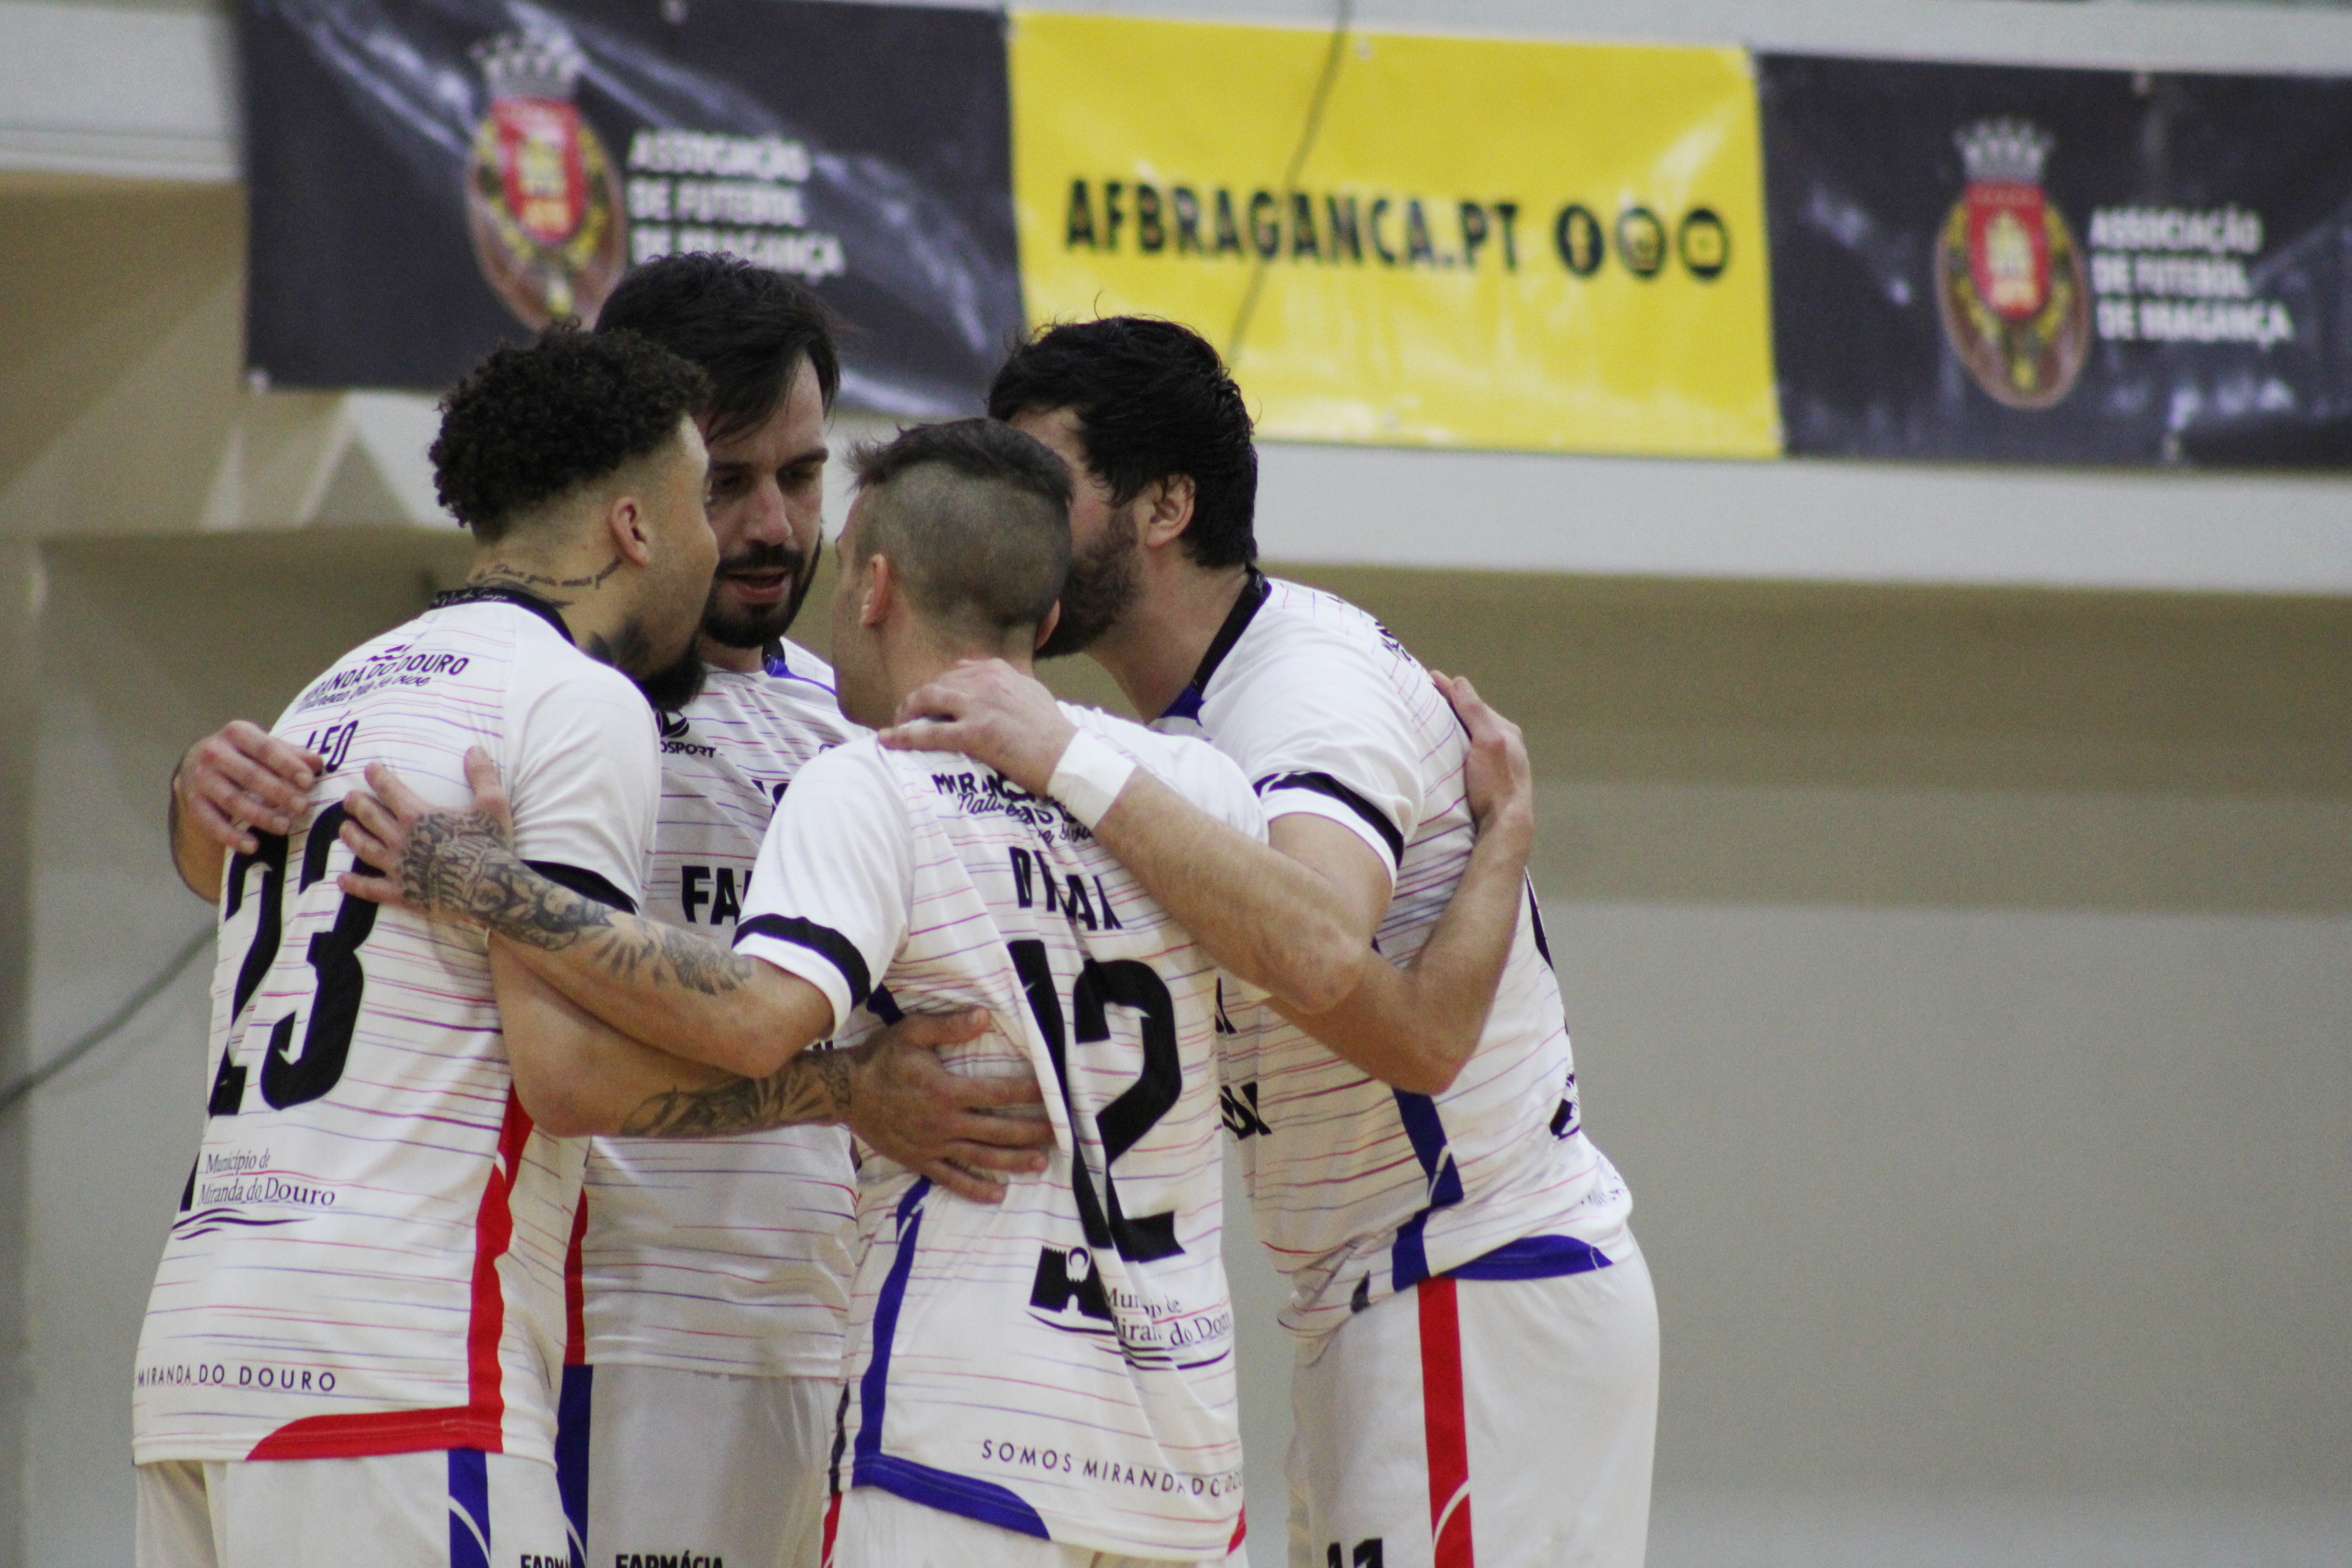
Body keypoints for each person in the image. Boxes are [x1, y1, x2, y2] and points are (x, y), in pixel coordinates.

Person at [163, 255, 1049, 1568]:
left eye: (802, 480)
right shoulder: (571, 696)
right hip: (598, 1329)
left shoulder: (863, 727)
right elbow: (348, 889)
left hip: (825, 1328)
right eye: (727, 481)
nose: (766, 527)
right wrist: (197, 802)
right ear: (644, 495)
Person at [329, 419, 1269, 1566]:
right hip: (1185, 1457)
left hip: (961, 1447)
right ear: (1054, 616)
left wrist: (496, 891)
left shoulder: (871, 781)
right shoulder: (1191, 783)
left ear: (872, 589)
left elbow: (754, 1018)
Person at [883, 318, 1659, 1568]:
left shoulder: (1304, 687)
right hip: (1381, 1305)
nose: (1011, 526)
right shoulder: (1185, 722)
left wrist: (1061, 754)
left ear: (1165, 506)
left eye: (1044, 486)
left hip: (1472, 1283)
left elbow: (1314, 941)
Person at [133, 325, 722, 1568]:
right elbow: (565, 1078)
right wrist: (840, 1085)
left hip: (198, 1360)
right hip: (396, 1371)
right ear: (635, 526)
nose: (716, 542)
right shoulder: (575, 700)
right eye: (705, 499)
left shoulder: (336, 687)